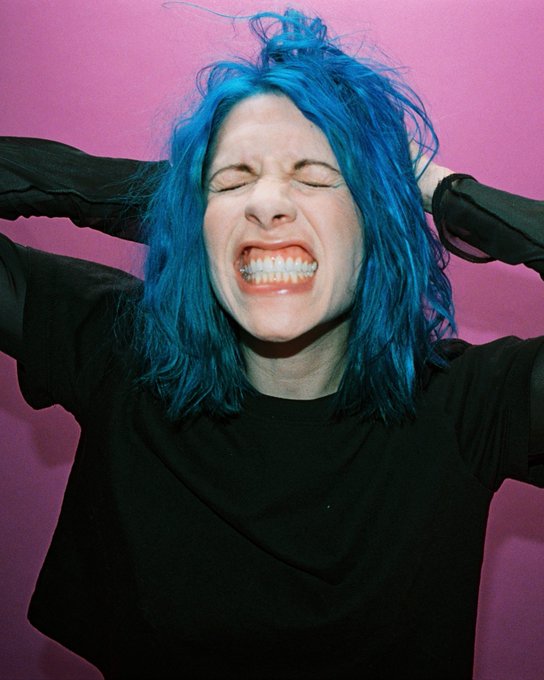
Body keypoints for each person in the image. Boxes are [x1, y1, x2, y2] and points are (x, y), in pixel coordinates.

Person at [0, 9, 543, 680]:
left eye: (315, 177)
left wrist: (443, 193)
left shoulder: (473, 407)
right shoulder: (119, 352)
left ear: (380, 225)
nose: (266, 204)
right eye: (233, 182)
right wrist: (180, 206)